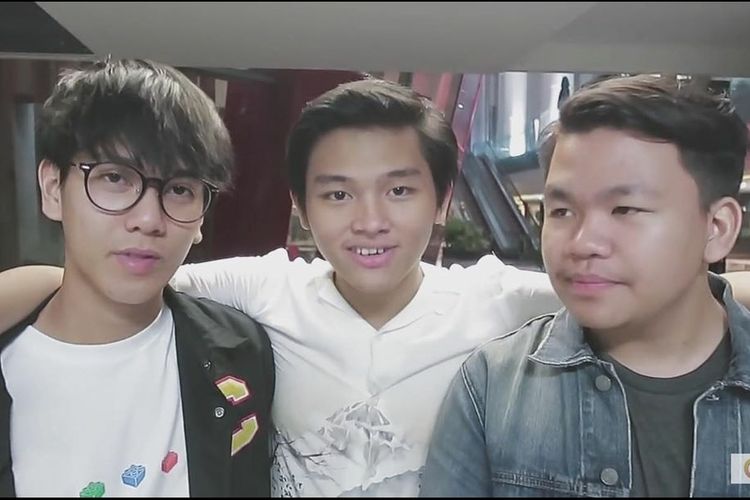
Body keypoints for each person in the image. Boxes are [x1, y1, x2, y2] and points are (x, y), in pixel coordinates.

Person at [0, 78, 560, 496]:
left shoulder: (496, 301)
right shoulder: (268, 293)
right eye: (338, 194)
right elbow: (125, 280)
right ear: (302, 207)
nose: (370, 221)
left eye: (398, 191)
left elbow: (598, 295)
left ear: (441, 200)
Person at [421, 74, 750, 497]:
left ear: (717, 227)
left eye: (625, 209)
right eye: (561, 211)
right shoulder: (491, 387)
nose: (581, 243)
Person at [0, 59, 275, 497]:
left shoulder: (239, 349)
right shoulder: (11, 355)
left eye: (180, 189)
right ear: (53, 189)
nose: (148, 219)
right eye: (114, 178)